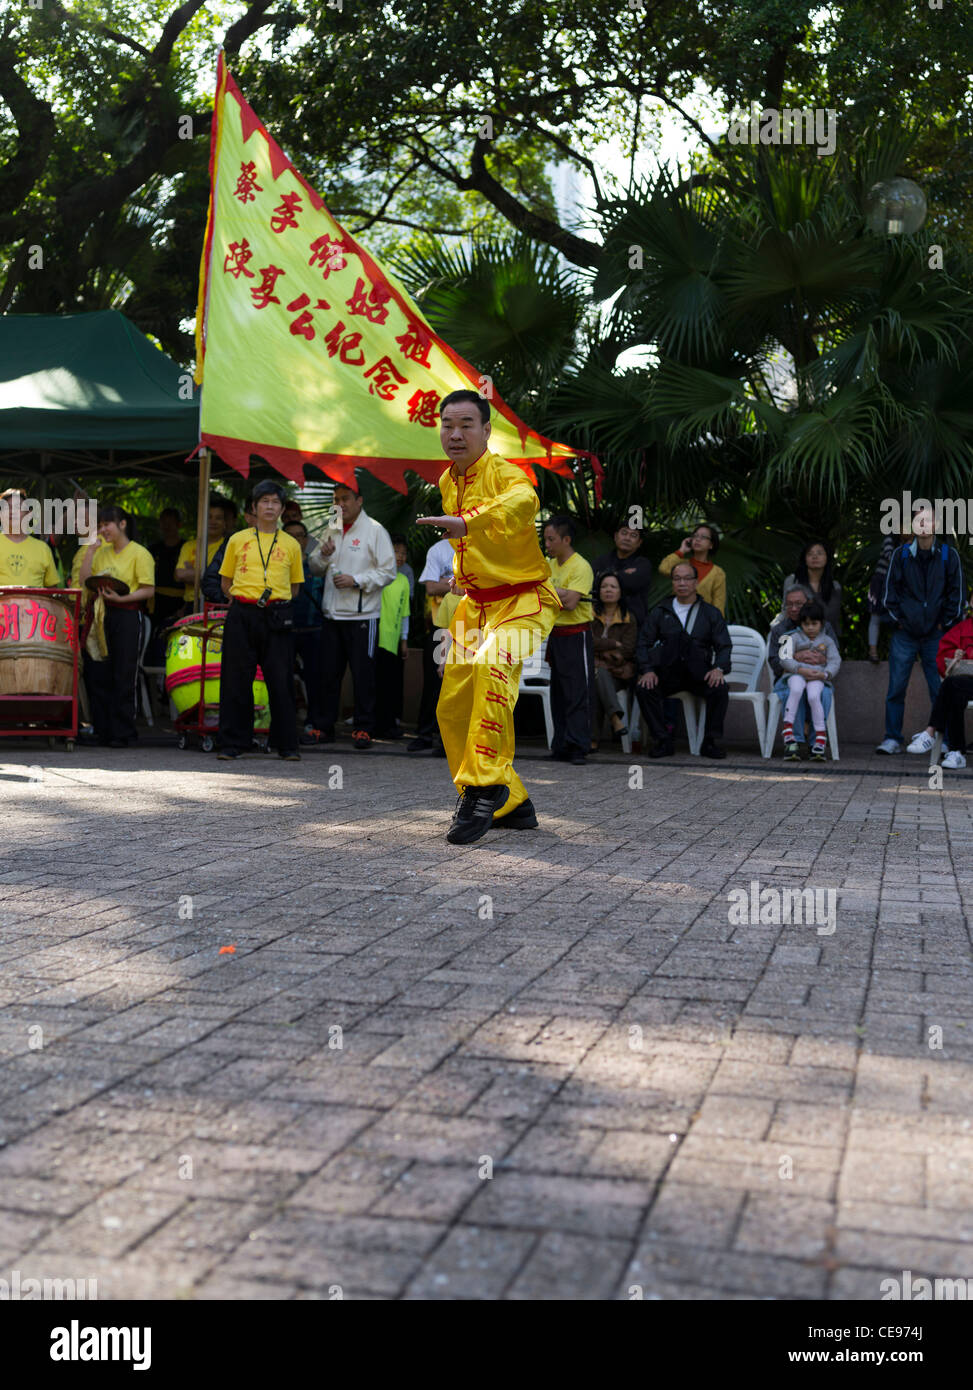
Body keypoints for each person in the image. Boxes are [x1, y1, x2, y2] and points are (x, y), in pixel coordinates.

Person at [416, 389, 561, 844]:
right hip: (474, 606)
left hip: (524, 601)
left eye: (465, 425)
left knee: (491, 666)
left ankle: (485, 787)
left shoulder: (506, 474)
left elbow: (524, 504)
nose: (455, 434)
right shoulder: (446, 481)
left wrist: (469, 522)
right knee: (452, 704)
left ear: (486, 431)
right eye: (447, 425)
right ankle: (514, 803)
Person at [216, 479, 304, 762]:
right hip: (242, 614)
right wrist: (247, 599)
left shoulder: (291, 543)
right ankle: (233, 743)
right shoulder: (237, 539)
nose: (270, 506)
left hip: (278, 615)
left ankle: (286, 744)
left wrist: (273, 601)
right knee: (235, 679)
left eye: (275, 502)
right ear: (254, 507)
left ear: (281, 508)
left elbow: (295, 588)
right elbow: (225, 582)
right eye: (264, 501)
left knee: (281, 680)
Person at [307, 478, 396, 750]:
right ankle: (323, 728)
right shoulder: (332, 527)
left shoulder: (375, 530)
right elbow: (314, 567)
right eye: (336, 499)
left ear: (359, 501)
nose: (340, 504)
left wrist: (356, 579)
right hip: (332, 615)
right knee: (327, 675)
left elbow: (388, 571)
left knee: (363, 675)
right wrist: (322, 555)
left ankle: (364, 729)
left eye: (346, 499)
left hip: (362, 617)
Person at [876, 506, 963, 755]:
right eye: (918, 520)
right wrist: (899, 622)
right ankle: (892, 738)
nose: (923, 524)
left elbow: (955, 596)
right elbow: (888, 594)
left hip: (936, 634)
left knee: (940, 689)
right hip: (905, 633)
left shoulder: (949, 555)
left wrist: (942, 625)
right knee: (896, 687)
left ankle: (943, 740)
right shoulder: (900, 555)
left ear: (936, 524)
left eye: (928, 520)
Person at [635, 561, 732, 758]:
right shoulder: (660, 611)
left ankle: (710, 742)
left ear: (696, 582)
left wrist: (719, 668)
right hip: (667, 672)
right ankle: (662, 740)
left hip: (699, 672)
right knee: (644, 688)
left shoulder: (710, 613)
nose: (682, 583)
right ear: (672, 583)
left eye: (687, 578)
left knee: (720, 689)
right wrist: (647, 670)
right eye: (677, 579)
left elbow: (724, 646)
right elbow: (643, 643)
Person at [77, 506, 155, 747]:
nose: (102, 530)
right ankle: (103, 730)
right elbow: (84, 582)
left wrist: (122, 599)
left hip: (128, 616)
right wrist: (90, 551)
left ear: (122, 524)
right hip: (101, 615)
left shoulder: (139, 553)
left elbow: (148, 589)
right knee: (98, 672)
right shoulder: (101, 552)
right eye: (99, 526)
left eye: (106, 524)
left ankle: (123, 732)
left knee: (124, 673)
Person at [543, 514, 595, 765]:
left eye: (551, 539)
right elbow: (538, 596)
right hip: (556, 635)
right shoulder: (548, 565)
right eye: (546, 539)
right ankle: (561, 745)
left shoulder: (581, 566)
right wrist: (560, 593)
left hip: (576, 635)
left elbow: (572, 603)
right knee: (559, 693)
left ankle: (578, 746)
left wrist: (554, 593)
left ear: (566, 539)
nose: (548, 544)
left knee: (578, 693)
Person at [768, 586, 838, 756]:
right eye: (789, 604)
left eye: (798, 604)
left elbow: (834, 655)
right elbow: (775, 661)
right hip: (788, 677)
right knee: (794, 691)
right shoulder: (780, 629)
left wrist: (821, 660)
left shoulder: (824, 627)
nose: (793, 608)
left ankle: (817, 744)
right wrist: (796, 659)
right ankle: (795, 742)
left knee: (823, 695)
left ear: (808, 603)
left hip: (818, 677)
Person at [906, 607, 973, 770]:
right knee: (952, 688)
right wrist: (956, 656)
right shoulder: (963, 628)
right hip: (966, 682)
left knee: (950, 687)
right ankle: (956, 753)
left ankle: (933, 734)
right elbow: (943, 657)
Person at [407, 534, 454, 754]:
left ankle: (450, 739)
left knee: (462, 683)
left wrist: (445, 583)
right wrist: (455, 583)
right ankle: (425, 734)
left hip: (471, 626)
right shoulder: (438, 549)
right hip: (440, 625)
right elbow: (431, 588)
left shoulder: (480, 545)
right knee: (434, 681)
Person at [283, 518, 328, 739]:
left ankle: (314, 723)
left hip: (314, 631)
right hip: (284, 631)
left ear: (305, 539)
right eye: (289, 535)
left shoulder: (315, 565)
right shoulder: (277, 565)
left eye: (299, 535)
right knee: (282, 679)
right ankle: (285, 723)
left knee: (315, 680)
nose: (295, 540)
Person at [591, 572, 637, 750]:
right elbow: (588, 641)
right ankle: (615, 719)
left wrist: (601, 653)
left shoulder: (628, 618)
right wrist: (611, 644)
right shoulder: (589, 614)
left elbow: (627, 649)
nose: (608, 590)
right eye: (604, 586)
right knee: (597, 674)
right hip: (595, 669)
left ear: (620, 592)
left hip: (617, 674)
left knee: (598, 674)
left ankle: (593, 740)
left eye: (613, 586)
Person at [374, 557, 411, 738]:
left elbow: (405, 613)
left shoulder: (403, 579)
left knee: (389, 685)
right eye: (396, 550)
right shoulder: (377, 576)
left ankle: (387, 725)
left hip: (392, 640)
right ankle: (372, 725)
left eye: (403, 552)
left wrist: (404, 640)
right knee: (374, 683)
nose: (400, 556)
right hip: (373, 637)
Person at [591, 521, 654, 625]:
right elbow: (592, 583)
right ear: (615, 536)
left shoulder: (643, 564)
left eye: (633, 535)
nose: (627, 538)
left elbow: (632, 583)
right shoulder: (601, 561)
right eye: (624, 533)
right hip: (599, 620)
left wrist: (604, 577)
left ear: (639, 542)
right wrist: (622, 575)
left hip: (631, 622)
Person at [658, 522, 727, 613]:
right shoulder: (681, 565)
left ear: (711, 545)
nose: (698, 539)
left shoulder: (718, 573)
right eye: (695, 536)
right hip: (675, 617)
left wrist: (715, 624)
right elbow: (663, 568)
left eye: (703, 537)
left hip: (702, 622)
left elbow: (718, 606)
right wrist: (682, 550)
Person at [0, 488, 59, 587]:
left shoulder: (43, 549)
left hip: (35, 603)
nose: (11, 512)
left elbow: (52, 590)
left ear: (29, 514)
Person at [174, 501, 227, 610]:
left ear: (225, 523)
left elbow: (226, 579)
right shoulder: (189, 546)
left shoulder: (229, 546)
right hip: (191, 604)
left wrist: (193, 571)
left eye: (218, 518)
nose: (213, 521)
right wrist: (211, 575)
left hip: (217, 603)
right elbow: (180, 575)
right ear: (201, 519)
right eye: (209, 517)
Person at [783, 540, 842, 636]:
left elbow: (833, 617)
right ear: (804, 559)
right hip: (795, 636)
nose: (815, 557)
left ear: (827, 558)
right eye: (810, 554)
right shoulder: (793, 581)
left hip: (828, 638)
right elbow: (786, 611)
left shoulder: (835, 586)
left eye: (819, 553)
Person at [149, 506, 185, 635]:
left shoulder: (186, 547)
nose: (167, 527)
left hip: (180, 602)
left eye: (170, 523)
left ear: (179, 524)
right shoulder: (153, 549)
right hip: (156, 602)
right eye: (163, 523)